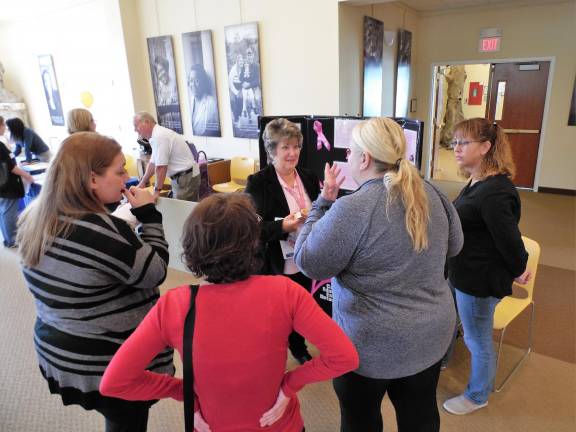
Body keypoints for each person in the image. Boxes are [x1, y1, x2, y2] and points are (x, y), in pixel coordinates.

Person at [100, 193, 359, 432]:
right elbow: (345, 357)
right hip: (281, 424)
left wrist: (185, 393)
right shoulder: (285, 292)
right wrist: (288, 385)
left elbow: (114, 382)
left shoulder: (175, 304)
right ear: (253, 243)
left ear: (192, 245)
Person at [294, 117, 464, 432]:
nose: (346, 158)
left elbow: (308, 262)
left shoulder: (352, 208)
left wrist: (322, 203)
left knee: (361, 422)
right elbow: (455, 246)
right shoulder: (431, 192)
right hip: (429, 335)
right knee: (420, 416)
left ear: (365, 158)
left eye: (349, 152)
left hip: (368, 344)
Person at [17, 132, 173, 432]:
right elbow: (155, 271)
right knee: (127, 422)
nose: (128, 178)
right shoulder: (103, 231)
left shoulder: (34, 217)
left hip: (61, 351)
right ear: (91, 179)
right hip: (106, 362)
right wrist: (149, 216)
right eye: (119, 171)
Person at [442, 118, 530, 415]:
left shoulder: (495, 192)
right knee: (461, 327)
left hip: (479, 280)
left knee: (477, 339)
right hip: (463, 271)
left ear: (485, 147)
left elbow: (510, 240)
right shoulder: (477, 181)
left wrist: (520, 268)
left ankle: (477, 396)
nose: (455, 148)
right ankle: (443, 361)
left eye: (462, 143)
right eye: (454, 142)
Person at [245, 118, 321, 365]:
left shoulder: (308, 177)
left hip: (306, 257)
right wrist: (283, 226)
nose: (293, 153)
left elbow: (318, 211)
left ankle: (298, 346)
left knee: (301, 307)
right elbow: (252, 229)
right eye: (285, 147)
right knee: (276, 313)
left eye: (296, 146)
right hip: (276, 260)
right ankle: (271, 353)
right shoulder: (258, 183)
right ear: (271, 151)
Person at [133, 111, 200, 201]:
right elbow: (153, 163)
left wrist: (156, 192)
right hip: (183, 177)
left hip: (185, 178)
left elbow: (161, 167)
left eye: (136, 125)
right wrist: (142, 183)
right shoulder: (155, 136)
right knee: (182, 212)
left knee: (183, 213)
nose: (135, 130)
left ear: (146, 122)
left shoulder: (159, 136)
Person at [0, 116, 34, 248]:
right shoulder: (0, 146)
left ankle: (8, 239)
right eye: (3, 125)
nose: (5, 128)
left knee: (4, 211)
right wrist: (27, 175)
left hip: (2, 186)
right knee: (9, 212)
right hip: (7, 185)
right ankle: (13, 240)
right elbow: (11, 167)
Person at [187, 64, 220, 137]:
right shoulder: (188, 102)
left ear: (202, 82)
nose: (194, 85)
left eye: (197, 81)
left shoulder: (211, 103)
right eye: (191, 80)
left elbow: (212, 131)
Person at [228, 53, 244, 122]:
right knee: (233, 101)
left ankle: (239, 115)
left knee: (240, 101)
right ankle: (236, 117)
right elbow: (230, 83)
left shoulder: (244, 68)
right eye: (240, 61)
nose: (241, 62)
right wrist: (236, 92)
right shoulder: (233, 70)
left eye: (242, 61)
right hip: (233, 88)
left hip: (240, 87)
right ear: (237, 61)